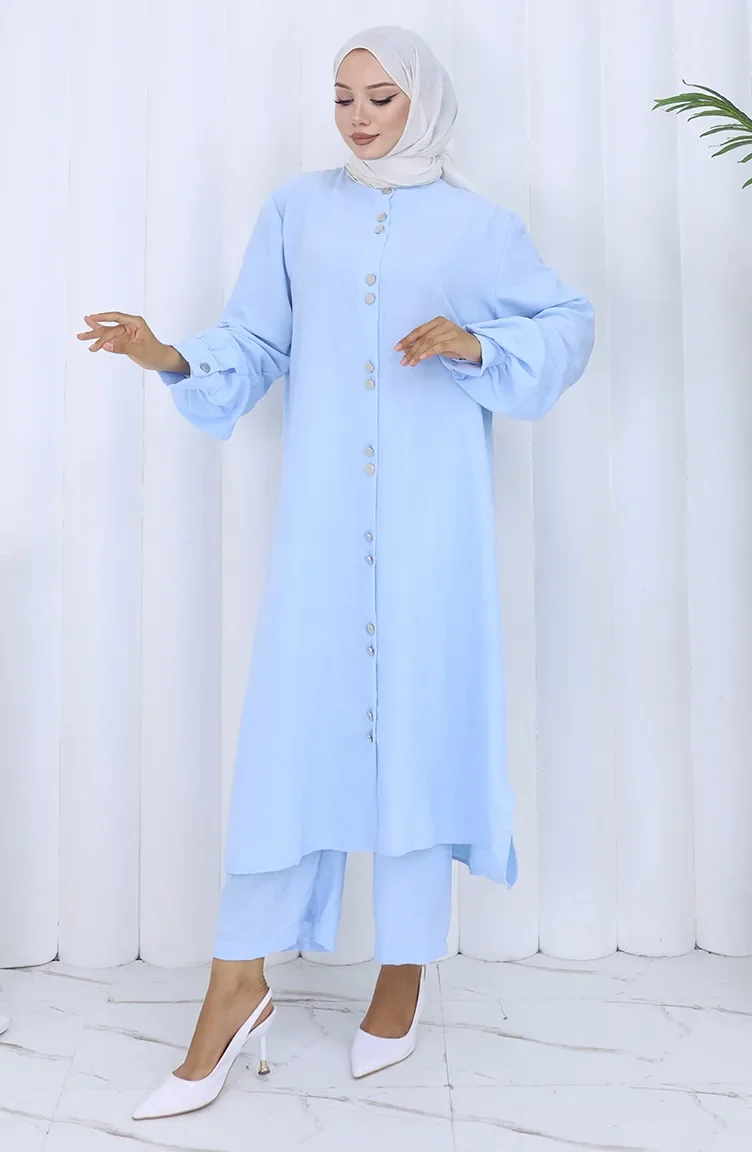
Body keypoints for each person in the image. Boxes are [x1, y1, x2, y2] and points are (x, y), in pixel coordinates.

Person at [77, 24, 594, 1120]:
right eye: (343, 97)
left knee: (419, 727)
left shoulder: (480, 226)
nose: (357, 116)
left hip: (432, 533)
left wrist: (476, 345)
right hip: (320, 532)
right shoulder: (295, 211)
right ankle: (236, 987)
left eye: (380, 98)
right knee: (292, 737)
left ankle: (405, 967)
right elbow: (255, 343)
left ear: (423, 103)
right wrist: (165, 353)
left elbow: (567, 324)